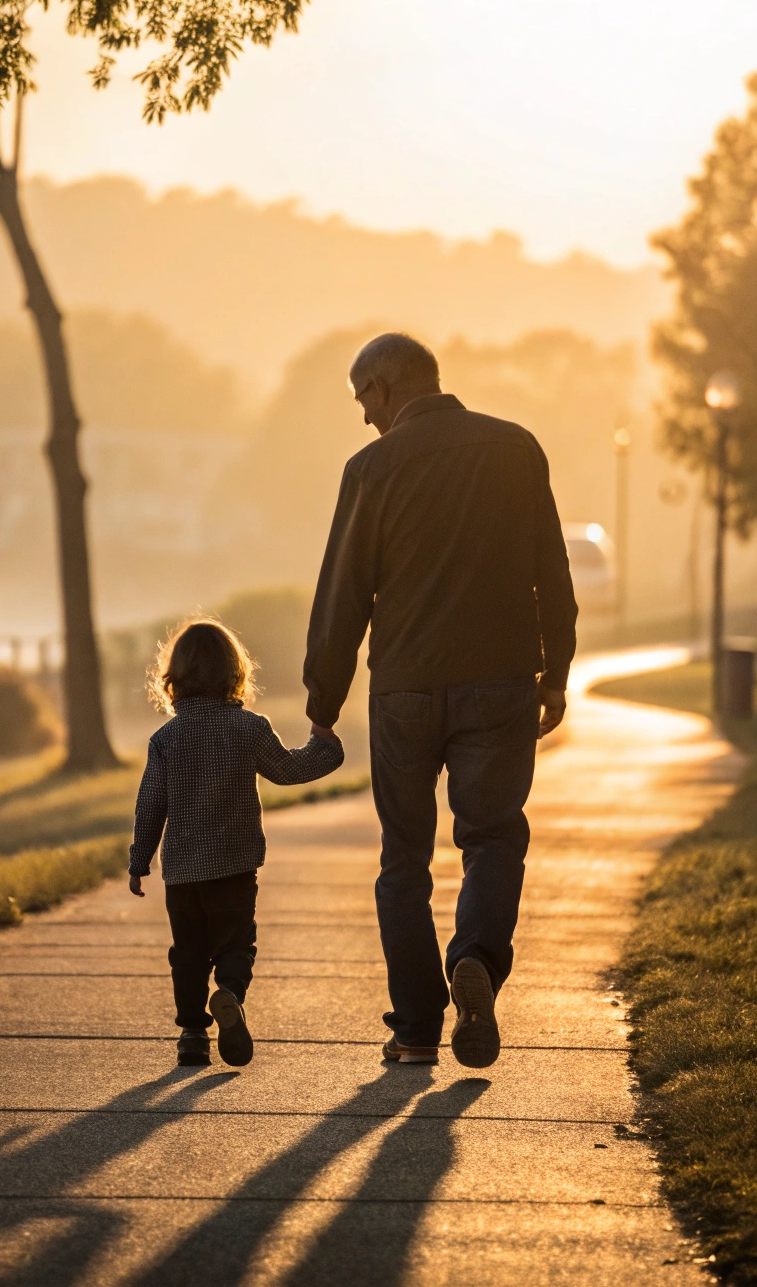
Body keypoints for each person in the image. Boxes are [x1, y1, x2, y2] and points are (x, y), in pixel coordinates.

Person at [303, 333, 577, 1068]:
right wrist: (556, 674)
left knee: (404, 860)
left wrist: (322, 697)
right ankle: (478, 961)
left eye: (364, 398)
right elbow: (552, 570)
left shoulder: (370, 469)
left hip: (405, 692)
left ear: (387, 388)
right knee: (491, 838)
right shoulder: (516, 449)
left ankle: (419, 1027)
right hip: (501, 682)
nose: (364, 417)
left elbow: (344, 590)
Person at [129, 619, 344, 1067]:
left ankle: (191, 1035)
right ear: (234, 672)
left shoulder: (165, 739)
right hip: (235, 865)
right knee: (236, 943)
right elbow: (288, 770)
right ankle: (227, 991)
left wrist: (138, 861)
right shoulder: (248, 727)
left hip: (184, 872)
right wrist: (325, 748)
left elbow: (151, 804)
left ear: (175, 679)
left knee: (187, 954)